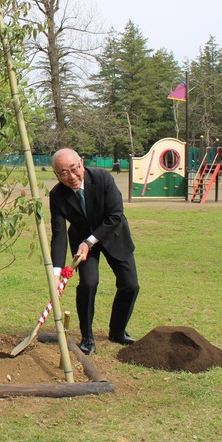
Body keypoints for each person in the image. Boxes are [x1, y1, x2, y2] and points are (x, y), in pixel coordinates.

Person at [50, 148, 139, 355]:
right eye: (63, 173)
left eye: (74, 169)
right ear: (56, 175)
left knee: (130, 285)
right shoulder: (56, 195)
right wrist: (55, 274)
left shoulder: (102, 178)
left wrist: (89, 242)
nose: (71, 176)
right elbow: (59, 233)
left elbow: (115, 215)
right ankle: (87, 338)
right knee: (88, 283)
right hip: (81, 240)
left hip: (113, 234)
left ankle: (117, 331)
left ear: (81, 162)